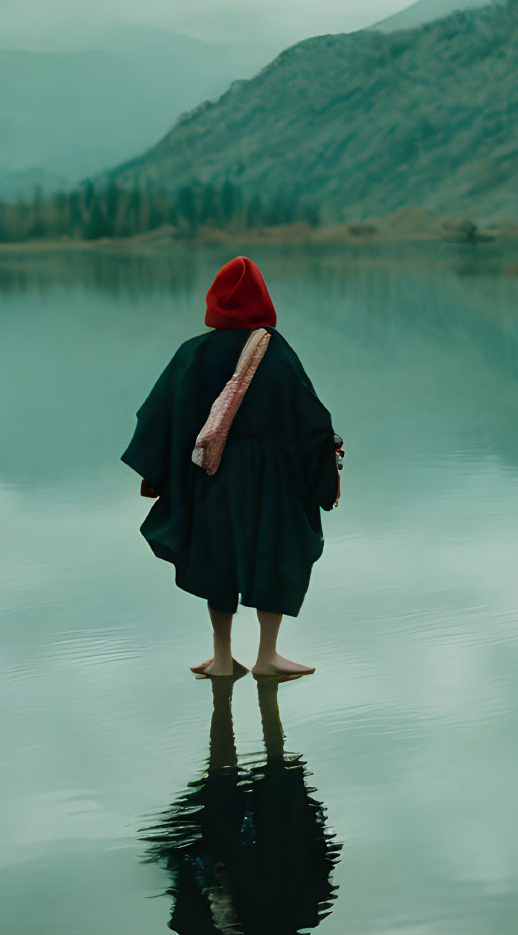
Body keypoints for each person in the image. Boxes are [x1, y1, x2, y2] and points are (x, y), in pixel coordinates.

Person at [123, 256, 341, 679]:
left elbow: (156, 417)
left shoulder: (192, 353)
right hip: (271, 478)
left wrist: (160, 475)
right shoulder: (273, 349)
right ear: (262, 298)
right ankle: (268, 657)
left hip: (208, 474)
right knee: (274, 556)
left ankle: (223, 660)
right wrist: (320, 470)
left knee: (216, 558)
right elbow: (310, 419)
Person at [140, 674, 340, 933]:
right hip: (261, 854)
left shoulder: (301, 912)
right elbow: (317, 867)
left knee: (230, 776)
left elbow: (319, 867)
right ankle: (235, 686)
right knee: (243, 777)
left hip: (243, 853)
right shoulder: (301, 913)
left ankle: (229, 684)